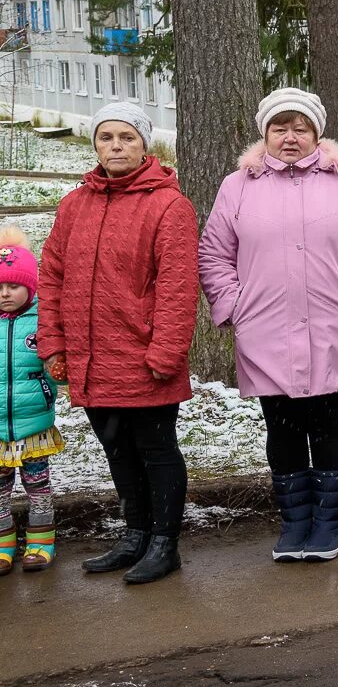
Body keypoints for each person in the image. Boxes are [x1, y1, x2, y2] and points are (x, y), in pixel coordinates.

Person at [199, 89, 338, 563]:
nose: (290, 137)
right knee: (282, 430)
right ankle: (293, 525)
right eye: (279, 127)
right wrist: (234, 305)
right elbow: (214, 253)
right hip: (265, 331)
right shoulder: (237, 186)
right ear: (264, 133)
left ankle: (328, 526)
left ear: (316, 133)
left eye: (300, 127)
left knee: (328, 425)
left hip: (331, 326)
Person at [37, 103, 199, 585]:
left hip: (145, 357)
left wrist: (165, 353)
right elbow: (53, 276)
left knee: (156, 450)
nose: (115, 146)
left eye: (126, 138)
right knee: (117, 452)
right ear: (95, 145)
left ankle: (164, 542)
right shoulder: (74, 204)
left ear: (145, 144)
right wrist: (54, 344)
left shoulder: (170, 206)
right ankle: (135, 534)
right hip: (89, 359)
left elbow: (177, 287)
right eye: (106, 137)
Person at [0, 229, 62, 573]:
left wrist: (59, 372)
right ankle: (3, 544)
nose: (5, 294)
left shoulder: (41, 321)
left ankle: (41, 541)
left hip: (32, 425)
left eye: (13, 286)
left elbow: (54, 366)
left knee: (37, 485)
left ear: (30, 287)